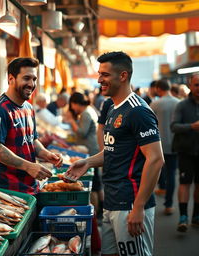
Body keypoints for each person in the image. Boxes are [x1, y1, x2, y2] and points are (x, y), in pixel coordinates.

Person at [65, 51, 164, 256]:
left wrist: (138, 206)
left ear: (123, 76)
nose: (100, 79)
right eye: (99, 74)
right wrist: (88, 162)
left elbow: (155, 159)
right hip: (112, 201)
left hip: (129, 203)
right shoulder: (113, 107)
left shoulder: (138, 111)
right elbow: (112, 150)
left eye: (105, 75)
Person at [0, 57, 63, 195]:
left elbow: (32, 140)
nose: (31, 84)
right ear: (11, 79)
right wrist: (28, 166)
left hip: (31, 187)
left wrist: (46, 154)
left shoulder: (28, 108)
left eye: (34, 79)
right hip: (9, 191)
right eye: (26, 78)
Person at [171, 73, 199, 232]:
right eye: (196, 85)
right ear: (190, 86)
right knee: (185, 183)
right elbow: (173, 126)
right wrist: (192, 127)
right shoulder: (181, 105)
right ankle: (183, 217)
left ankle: (196, 215)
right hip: (186, 151)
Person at [150, 79, 180, 215]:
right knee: (172, 173)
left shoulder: (155, 104)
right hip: (174, 144)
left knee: (155, 171)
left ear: (158, 88)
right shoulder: (179, 103)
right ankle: (169, 204)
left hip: (157, 145)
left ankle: (148, 202)